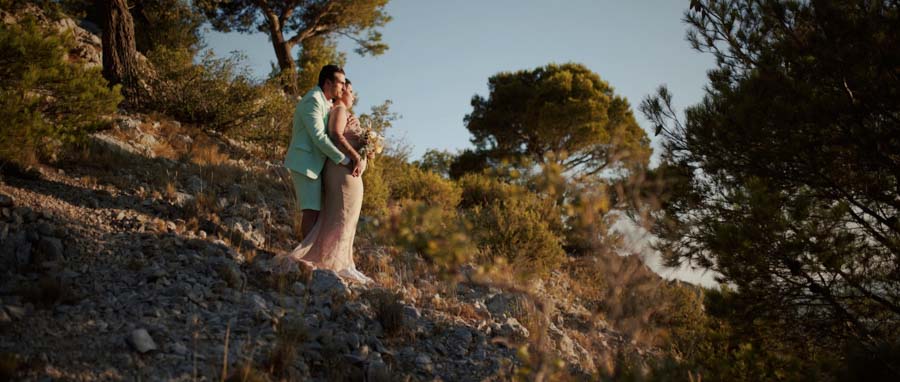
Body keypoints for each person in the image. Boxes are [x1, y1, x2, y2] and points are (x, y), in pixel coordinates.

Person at [279, 80, 373, 285]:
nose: (353, 94)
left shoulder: (346, 113)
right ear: (341, 93)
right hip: (341, 172)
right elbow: (336, 136)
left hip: (350, 173)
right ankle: (334, 263)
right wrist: (355, 156)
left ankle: (346, 262)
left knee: (348, 218)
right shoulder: (339, 110)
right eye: (350, 89)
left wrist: (367, 151)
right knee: (340, 216)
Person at [283, 65, 364, 239]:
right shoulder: (312, 100)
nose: (343, 87)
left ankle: (309, 256)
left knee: (316, 213)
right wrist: (343, 160)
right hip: (305, 163)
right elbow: (319, 137)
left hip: (316, 164)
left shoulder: (326, 102)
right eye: (341, 83)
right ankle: (305, 259)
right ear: (328, 83)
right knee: (311, 212)